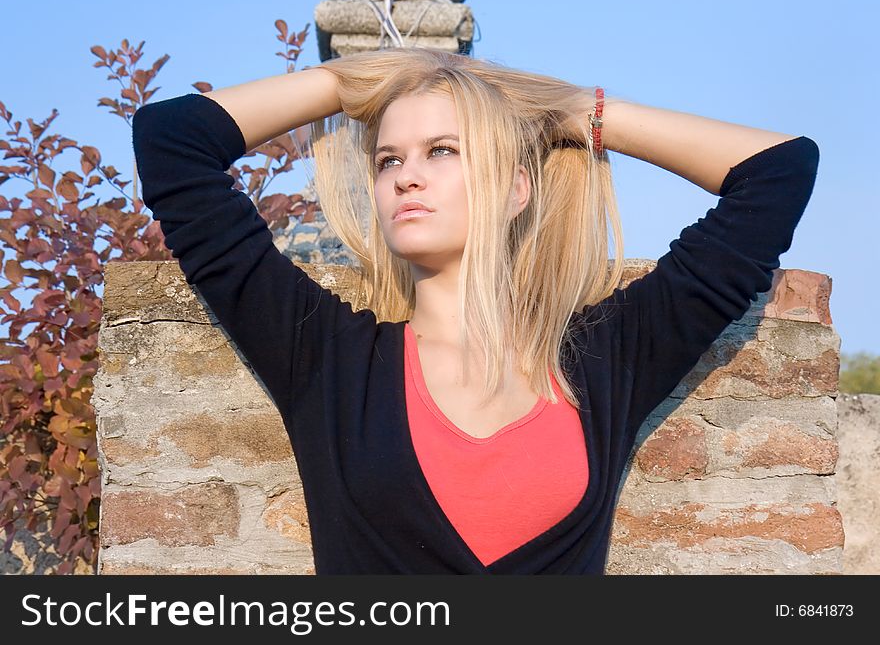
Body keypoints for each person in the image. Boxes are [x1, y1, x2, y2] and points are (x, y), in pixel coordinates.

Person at [131, 47, 819, 574]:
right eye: (387, 158)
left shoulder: (603, 360)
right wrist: (358, 78)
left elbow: (778, 170)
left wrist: (571, 110)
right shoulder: (326, 360)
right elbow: (171, 142)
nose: (406, 174)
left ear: (517, 186)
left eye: (443, 151)